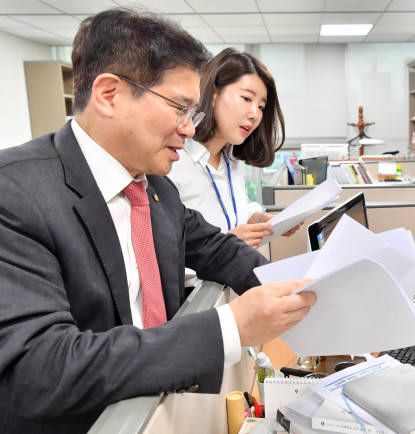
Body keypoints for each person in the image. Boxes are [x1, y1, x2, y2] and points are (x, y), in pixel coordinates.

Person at [0, 9, 315, 434]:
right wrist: (230, 326)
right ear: (109, 94)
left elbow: (218, 250)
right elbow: (40, 368)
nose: (189, 129)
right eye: (180, 107)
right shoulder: (15, 192)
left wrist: (310, 285)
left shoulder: (155, 188)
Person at [169, 48, 298, 250]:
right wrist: (224, 243)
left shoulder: (231, 160)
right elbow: (165, 246)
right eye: (247, 99)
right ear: (213, 94)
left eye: (261, 107)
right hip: (198, 281)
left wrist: (266, 220)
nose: (255, 114)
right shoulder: (174, 159)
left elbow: (236, 212)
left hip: (234, 276)